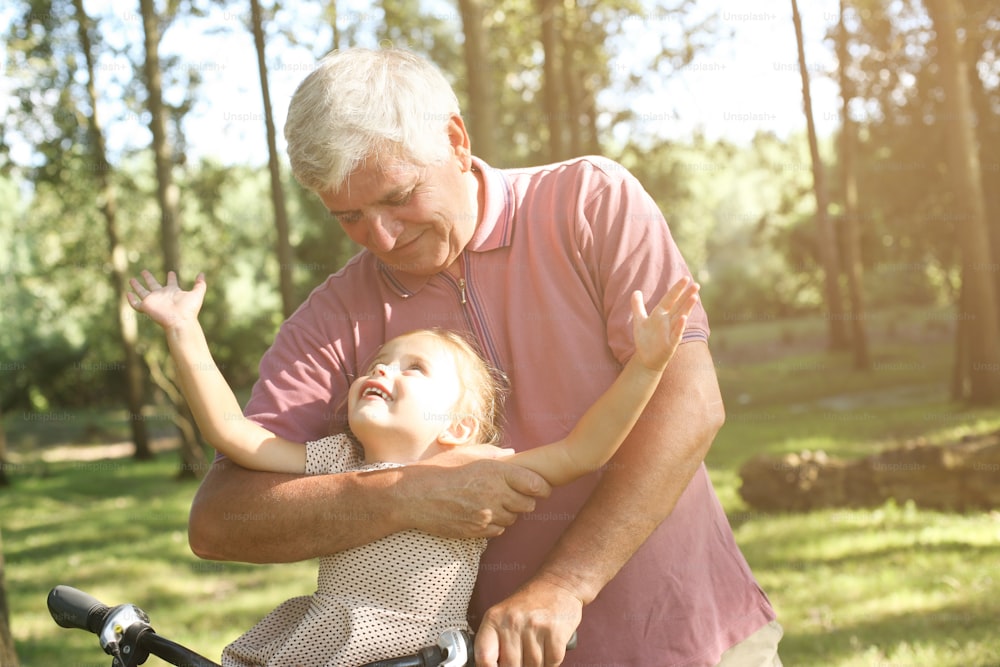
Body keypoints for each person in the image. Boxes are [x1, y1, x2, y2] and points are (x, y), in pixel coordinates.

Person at [187, 47, 781, 666]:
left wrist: (564, 586)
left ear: (455, 139)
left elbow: (691, 406)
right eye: (350, 217)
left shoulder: (590, 201)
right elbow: (221, 519)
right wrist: (404, 493)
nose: (381, 237)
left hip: (691, 637)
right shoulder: (330, 321)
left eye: (398, 197)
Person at [128, 269, 699, 666]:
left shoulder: (474, 469)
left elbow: (585, 450)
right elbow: (232, 433)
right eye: (378, 362)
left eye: (414, 368)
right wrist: (184, 332)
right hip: (329, 645)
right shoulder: (334, 462)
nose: (383, 372)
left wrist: (645, 366)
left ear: (456, 427)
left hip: (418, 654)